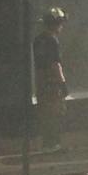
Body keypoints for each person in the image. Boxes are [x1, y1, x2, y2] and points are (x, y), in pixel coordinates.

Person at [32, 8, 68, 150]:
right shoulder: (52, 41)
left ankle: (47, 143)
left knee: (45, 113)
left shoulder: (37, 40)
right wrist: (63, 83)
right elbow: (55, 64)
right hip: (53, 82)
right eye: (60, 23)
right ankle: (54, 143)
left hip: (41, 81)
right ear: (55, 24)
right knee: (55, 112)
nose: (62, 26)